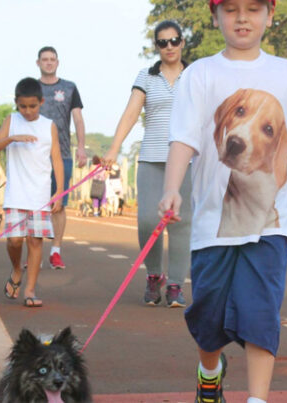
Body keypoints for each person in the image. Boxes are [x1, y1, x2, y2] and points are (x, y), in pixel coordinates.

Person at [157, 1, 287, 402]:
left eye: (253, 8)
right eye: (231, 9)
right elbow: (184, 138)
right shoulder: (200, 74)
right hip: (213, 225)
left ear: (270, 14)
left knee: (261, 313)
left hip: (271, 225)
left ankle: (257, 398)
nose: (242, 17)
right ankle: (210, 372)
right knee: (208, 315)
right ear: (215, 17)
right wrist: (172, 187)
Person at [103, 20, 192, 307]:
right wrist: (114, 149)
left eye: (174, 40)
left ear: (182, 42)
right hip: (152, 158)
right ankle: (154, 276)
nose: (170, 46)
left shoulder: (194, 75)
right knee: (147, 221)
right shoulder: (146, 76)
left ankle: (176, 284)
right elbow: (130, 113)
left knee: (180, 223)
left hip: (187, 160)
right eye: (163, 42)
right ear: (156, 46)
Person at [0, 77, 64, 308]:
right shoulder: (11, 121)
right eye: (23, 106)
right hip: (15, 195)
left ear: (41, 102)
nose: (28, 111)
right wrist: (12, 137)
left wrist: (59, 191)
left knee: (34, 241)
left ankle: (30, 290)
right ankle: (15, 269)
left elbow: (56, 159)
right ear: (16, 103)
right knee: (14, 240)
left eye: (32, 106)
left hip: (40, 196)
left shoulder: (48, 125)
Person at [36, 46, 88, 270]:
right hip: (35, 156)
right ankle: (33, 252)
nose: (49, 63)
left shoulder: (69, 88)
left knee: (59, 204)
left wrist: (81, 147)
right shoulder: (31, 87)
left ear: (58, 63)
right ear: (38, 63)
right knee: (34, 204)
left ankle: (55, 251)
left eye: (52, 59)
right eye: (45, 60)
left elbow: (77, 118)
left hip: (63, 154)